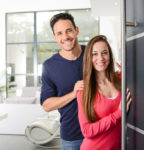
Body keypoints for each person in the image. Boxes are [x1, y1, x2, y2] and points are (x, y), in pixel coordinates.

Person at [77, 35, 132, 150]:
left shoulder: (121, 78)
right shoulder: (84, 90)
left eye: (104, 52)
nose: (101, 58)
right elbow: (86, 131)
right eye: (95, 54)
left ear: (110, 55)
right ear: (89, 58)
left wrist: (129, 72)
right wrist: (118, 114)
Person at [40, 12, 85, 150]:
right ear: (54, 37)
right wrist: (73, 93)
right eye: (59, 33)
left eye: (69, 30)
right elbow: (46, 105)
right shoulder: (49, 66)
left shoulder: (93, 53)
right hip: (73, 137)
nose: (65, 37)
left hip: (101, 131)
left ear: (76, 30)